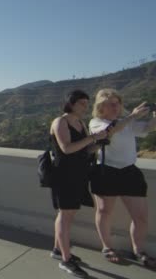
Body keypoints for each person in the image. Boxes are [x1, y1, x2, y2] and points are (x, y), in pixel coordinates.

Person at [89, 89, 156, 268]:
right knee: (104, 212)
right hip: (106, 171)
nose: (116, 107)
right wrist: (132, 116)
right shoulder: (96, 122)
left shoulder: (128, 122)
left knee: (140, 217)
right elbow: (109, 132)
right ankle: (107, 247)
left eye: (117, 103)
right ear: (100, 107)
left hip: (129, 172)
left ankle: (139, 250)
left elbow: (149, 128)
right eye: (111, 104)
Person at [49, 90, 107, 278]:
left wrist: (100, 143)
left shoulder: (80, 123)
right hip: (64, 175)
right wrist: (92, 138)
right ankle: (66, 260)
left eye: (86, 103)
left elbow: (84, 149)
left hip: (78, 174)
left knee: (68, 214)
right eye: (82, 103)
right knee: (65, 216)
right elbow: (66, 148)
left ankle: (58, 250)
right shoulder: (60, 122)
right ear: (71, 103)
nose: (86, 106)